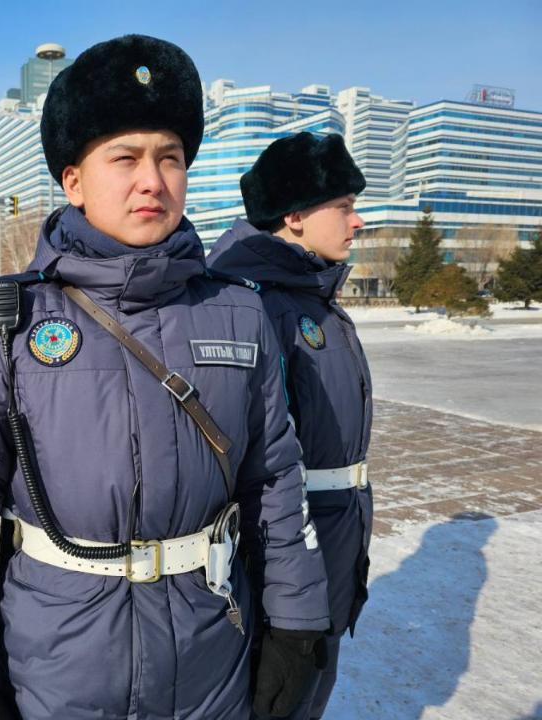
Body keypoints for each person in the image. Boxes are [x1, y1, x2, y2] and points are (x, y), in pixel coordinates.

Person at [0, 35, 330, 720]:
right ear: (73, 181)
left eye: (170, 158)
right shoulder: (9, 319)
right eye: (125, 158)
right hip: (57, 663)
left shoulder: (238, 311)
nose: (153, 180)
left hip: (210, 654)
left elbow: (276, 478)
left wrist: (296, 622)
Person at [207, 132, 373, 720]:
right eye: (344, 206)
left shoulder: (313, 296)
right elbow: (253, 459)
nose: (357, 221)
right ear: (295, 216)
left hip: (334, 538)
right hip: (287, 551)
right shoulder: (254, 304)